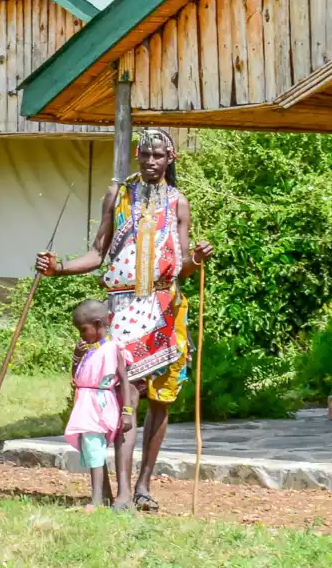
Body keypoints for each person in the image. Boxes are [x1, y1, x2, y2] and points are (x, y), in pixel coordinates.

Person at [36, 128, 211, 512]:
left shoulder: (179, 203)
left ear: (170, 159)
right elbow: (100, 252)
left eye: (158, 156)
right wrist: (60, 268)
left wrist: (196, 259)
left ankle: (143, 485)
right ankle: (122, 493)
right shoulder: (118, 196)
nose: (150, 161)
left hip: (165, 308)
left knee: (161, 400)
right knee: (124, 398)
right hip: (123, 308)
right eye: (144, 154)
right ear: (137, 155)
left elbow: (181, 265)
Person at [64, 299, 134, 512]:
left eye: (83, 330)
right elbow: (76, 377)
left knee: (95, 448)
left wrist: (127, 412)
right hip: (86, 404)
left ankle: (96, 500)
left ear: (97, 324)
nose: (81, 335)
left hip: (100, 405)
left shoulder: (113, 348)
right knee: (92, 448)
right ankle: (99, 496)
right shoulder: (91, 349)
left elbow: (124, 381)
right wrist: (76, 357)